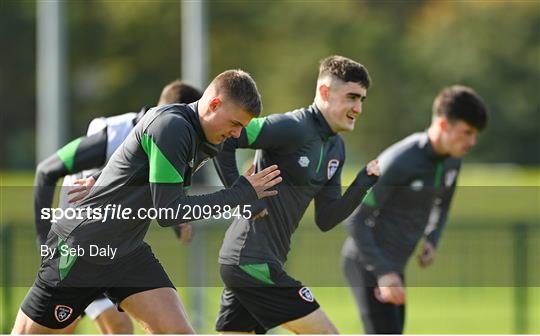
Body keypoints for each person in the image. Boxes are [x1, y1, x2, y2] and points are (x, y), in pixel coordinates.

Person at [12, 69, 282, 334]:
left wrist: (251, 198)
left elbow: (134, 161)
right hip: (83, 248)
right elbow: (168, 213)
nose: (236, 134)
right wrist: (242, 194)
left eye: (242, 128)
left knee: (177, 331)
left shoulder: (211, 135)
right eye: (235, 124)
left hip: (127, 251)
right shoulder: (172, 127)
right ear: (213, 104)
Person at [213, 55, 379, 334]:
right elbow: (225, 137)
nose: (358, 108)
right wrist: (243, 196)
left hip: (256, 262)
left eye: (362, 99)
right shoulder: (292, 127)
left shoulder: (336, 148)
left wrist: (365, 180)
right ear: (325, 92)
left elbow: (326, 218)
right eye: (352, 97)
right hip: (251, 261)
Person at [31, 80, 202, 334]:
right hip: (78, 246)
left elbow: (158, 195)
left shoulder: (168, 146)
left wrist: (178, 223)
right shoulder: (114, 134)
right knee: (113, 327)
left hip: (115, 250)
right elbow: (46, 170)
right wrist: (44, 241)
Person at [341, 85, 488, 334]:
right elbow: (355, 219)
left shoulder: (453, 160)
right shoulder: (402, 161)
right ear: (443, 125)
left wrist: (433, 237)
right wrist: (384, 272)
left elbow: (443, 204)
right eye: (467, 132)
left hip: (394, 266)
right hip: (367, 263)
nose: (472, 142)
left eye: (476, 135)